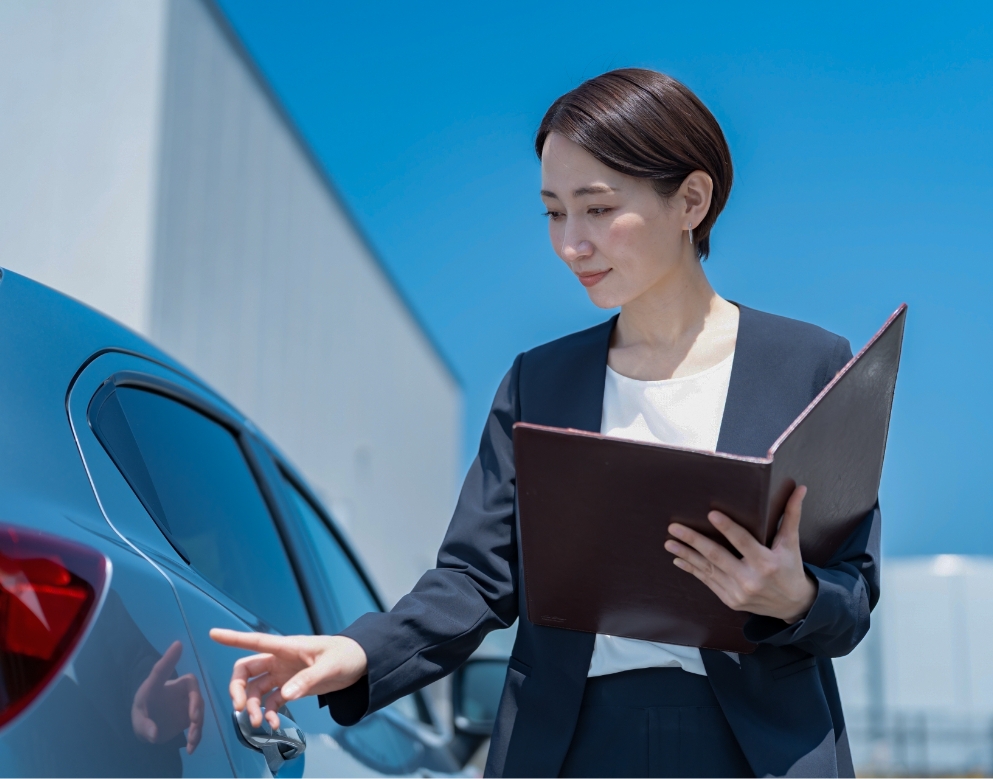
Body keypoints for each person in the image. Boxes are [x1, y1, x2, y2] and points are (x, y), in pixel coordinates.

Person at [210, 68, 879, 778]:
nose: (570, 244)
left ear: (690, 199)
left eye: (596, 208)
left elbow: (852, 590)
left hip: (756, 750)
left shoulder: (808, 366)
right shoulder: (540, 382)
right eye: (554, 212)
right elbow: (474, 578)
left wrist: (795, 597)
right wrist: (358, 652)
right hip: (568, 746)